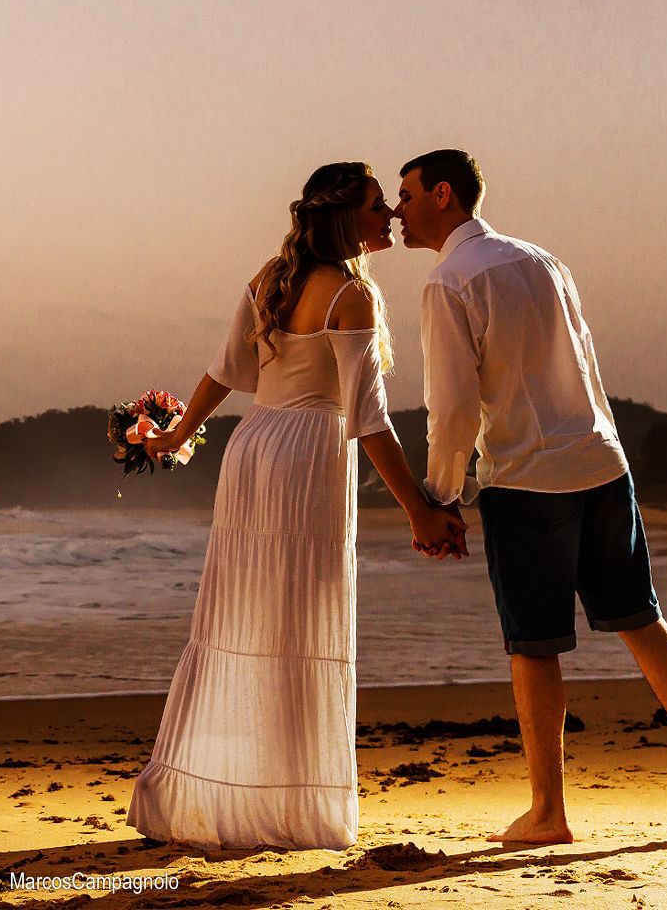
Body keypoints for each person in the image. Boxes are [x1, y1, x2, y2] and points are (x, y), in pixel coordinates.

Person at [391, 148, 667, 843]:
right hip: (601, 460)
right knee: (641, 618)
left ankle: (548, 810)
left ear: (441, 194)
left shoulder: (449, 280)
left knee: (534, 643)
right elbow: (584, 360)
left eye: (405, 195)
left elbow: (452, 405)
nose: (396, 211)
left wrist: (440, 497)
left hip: (527, 477)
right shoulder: (542, 259)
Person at [126, 161, 467, 851]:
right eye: (377, 205)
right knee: (300, 624)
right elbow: (368, 419)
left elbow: (224, 373)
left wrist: (178, 434)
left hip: (251, 451)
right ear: (344, 216)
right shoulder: (350, 296)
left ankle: (230, 787)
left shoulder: (270, 277)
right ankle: (287, 802)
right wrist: (418, 510)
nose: (388, 216)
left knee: (243, 618)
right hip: (308, 457)